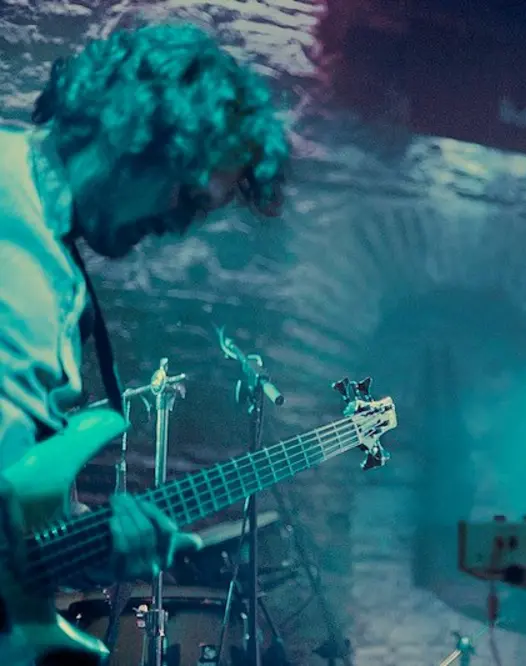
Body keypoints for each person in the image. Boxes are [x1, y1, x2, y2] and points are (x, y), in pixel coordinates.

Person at [0, 21, 290, 587]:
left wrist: (88, 549)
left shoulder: (61, 283)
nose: (176, 226)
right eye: (185, 197)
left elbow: (18, 521)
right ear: (130, 127)